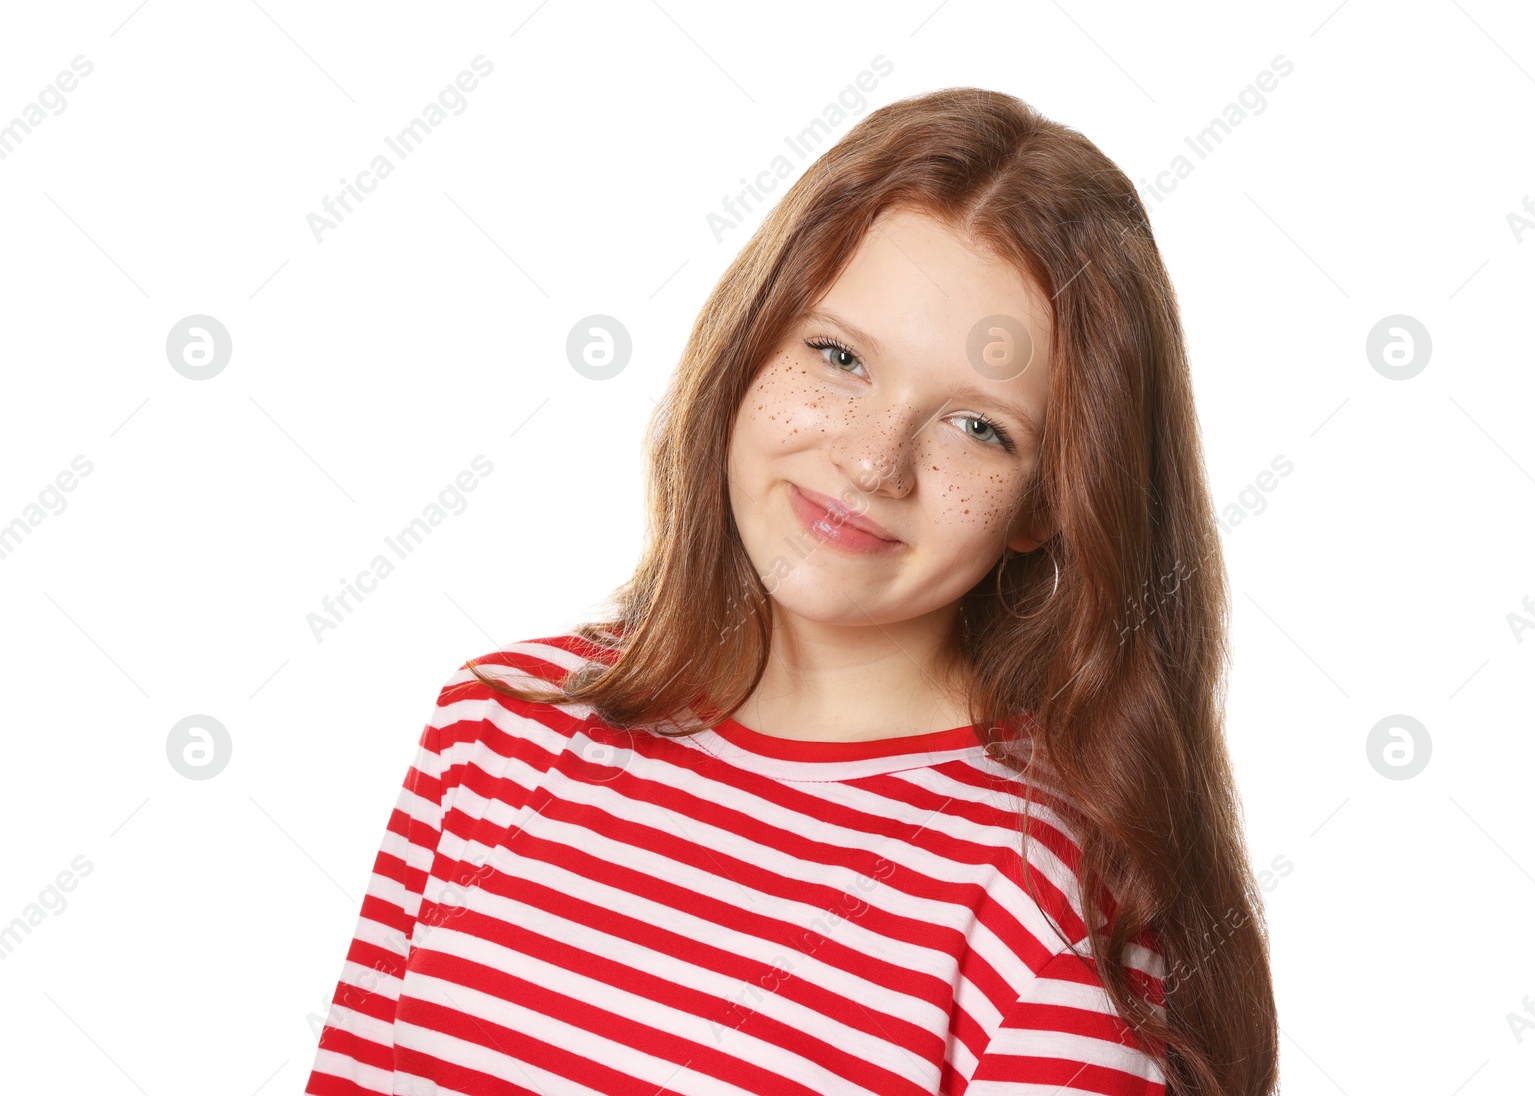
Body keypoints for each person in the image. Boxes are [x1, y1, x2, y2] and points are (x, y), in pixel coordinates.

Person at [304, 86, 1278, 1096]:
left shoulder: (1043, 900)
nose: (871, 461)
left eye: (979, 427)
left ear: (1047, 505)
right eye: (838, 355)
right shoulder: (495, 730)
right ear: (750, 347)